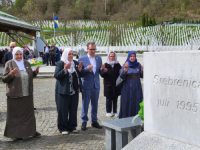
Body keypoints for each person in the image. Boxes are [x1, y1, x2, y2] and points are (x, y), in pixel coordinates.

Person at [2, 47, 41, 141]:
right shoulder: (9, 63)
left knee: (29, 114)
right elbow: (4, 79)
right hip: (15, 94)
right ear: (13, 54)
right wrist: (11, 74)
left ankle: (31, 131)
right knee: (15, 115)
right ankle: (17, 134)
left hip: (27, 93)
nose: (19, 56)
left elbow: (30, 75)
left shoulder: (26, 63)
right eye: (17, 54)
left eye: (20, 54)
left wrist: (35, 72)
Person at [54, 48, 83, 134]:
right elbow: (56, 75)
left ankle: (72, 126)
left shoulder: (75, 63)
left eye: (72, 54)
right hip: (63, 91)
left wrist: (80, 70)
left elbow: (80, 75)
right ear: (65, 54)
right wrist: (65, 69)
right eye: (69, 54)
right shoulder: (60, 63)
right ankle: (63, 127)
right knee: (63, 110)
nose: (71, 56)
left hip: (74, 90)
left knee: (73, 109)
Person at [78, 42, 105, 131]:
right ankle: (84, 121)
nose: (93, 51)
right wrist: (86, 69)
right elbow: (80, 73)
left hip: (96, 85)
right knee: (85, 104)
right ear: (87, 49)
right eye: (91, 49)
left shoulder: (99, 58)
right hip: (86, 85)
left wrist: (102, 69)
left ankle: (94, 121)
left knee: (95, 104)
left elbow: (100, 73)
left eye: (94, 49)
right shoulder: (82, 59)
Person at [119, 51, 143, 119]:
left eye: (133, 56)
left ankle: (137, 118)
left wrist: (143, 70)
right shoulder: (125, 64)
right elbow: (121, 76)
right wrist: (125, 69)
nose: (132, 58)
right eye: (131, 56)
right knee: (127, 102)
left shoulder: (138, 65)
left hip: (137, 87)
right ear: (128, 57)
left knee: (137, 102)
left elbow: (142, 76)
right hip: (127, 88)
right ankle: (125, 118)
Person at [100, 51, 122, 117]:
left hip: (116, 85)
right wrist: (103, 70)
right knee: (108, 99)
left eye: (113, 56)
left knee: (115, 99)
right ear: (108, 57)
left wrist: (121, 72)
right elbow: (102, 75)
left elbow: (120, 75)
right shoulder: (106, 65)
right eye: (111, 56)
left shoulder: (117, 65)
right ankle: (108, 111)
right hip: (108, 85)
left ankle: (115, 111)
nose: (112, 57)